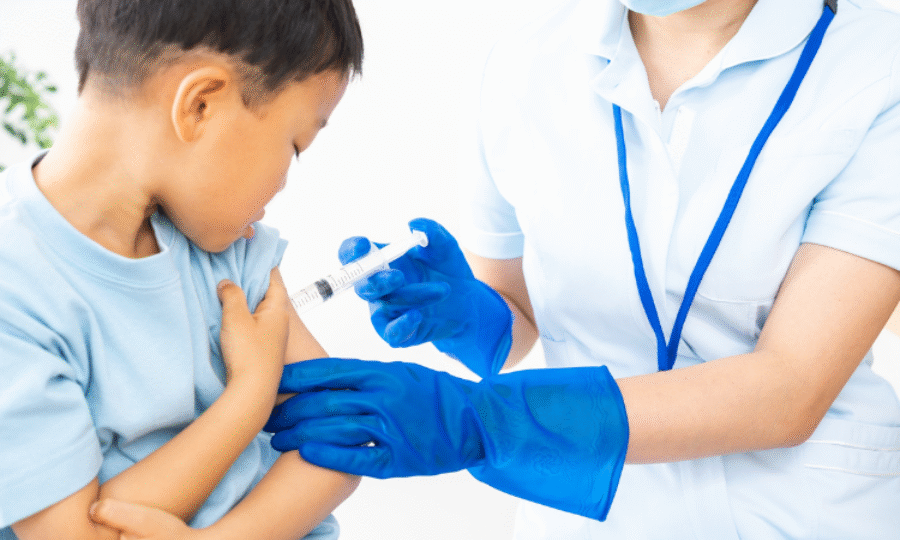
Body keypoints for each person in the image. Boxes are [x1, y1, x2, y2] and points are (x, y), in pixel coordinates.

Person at [265, 0, 900, 538]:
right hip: (592, 514)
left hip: (801, 513)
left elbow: (788, 390)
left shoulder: (878, 66)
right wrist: (470, 314)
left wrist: (482, 418)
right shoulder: (528, 58)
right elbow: (516, 311)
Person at [0, 0, 364, 539]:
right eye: (293, 145)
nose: (285, 180)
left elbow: (344, 434)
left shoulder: (228, 248)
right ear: (200, 105)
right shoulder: (16, 292)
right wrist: (250, 395)